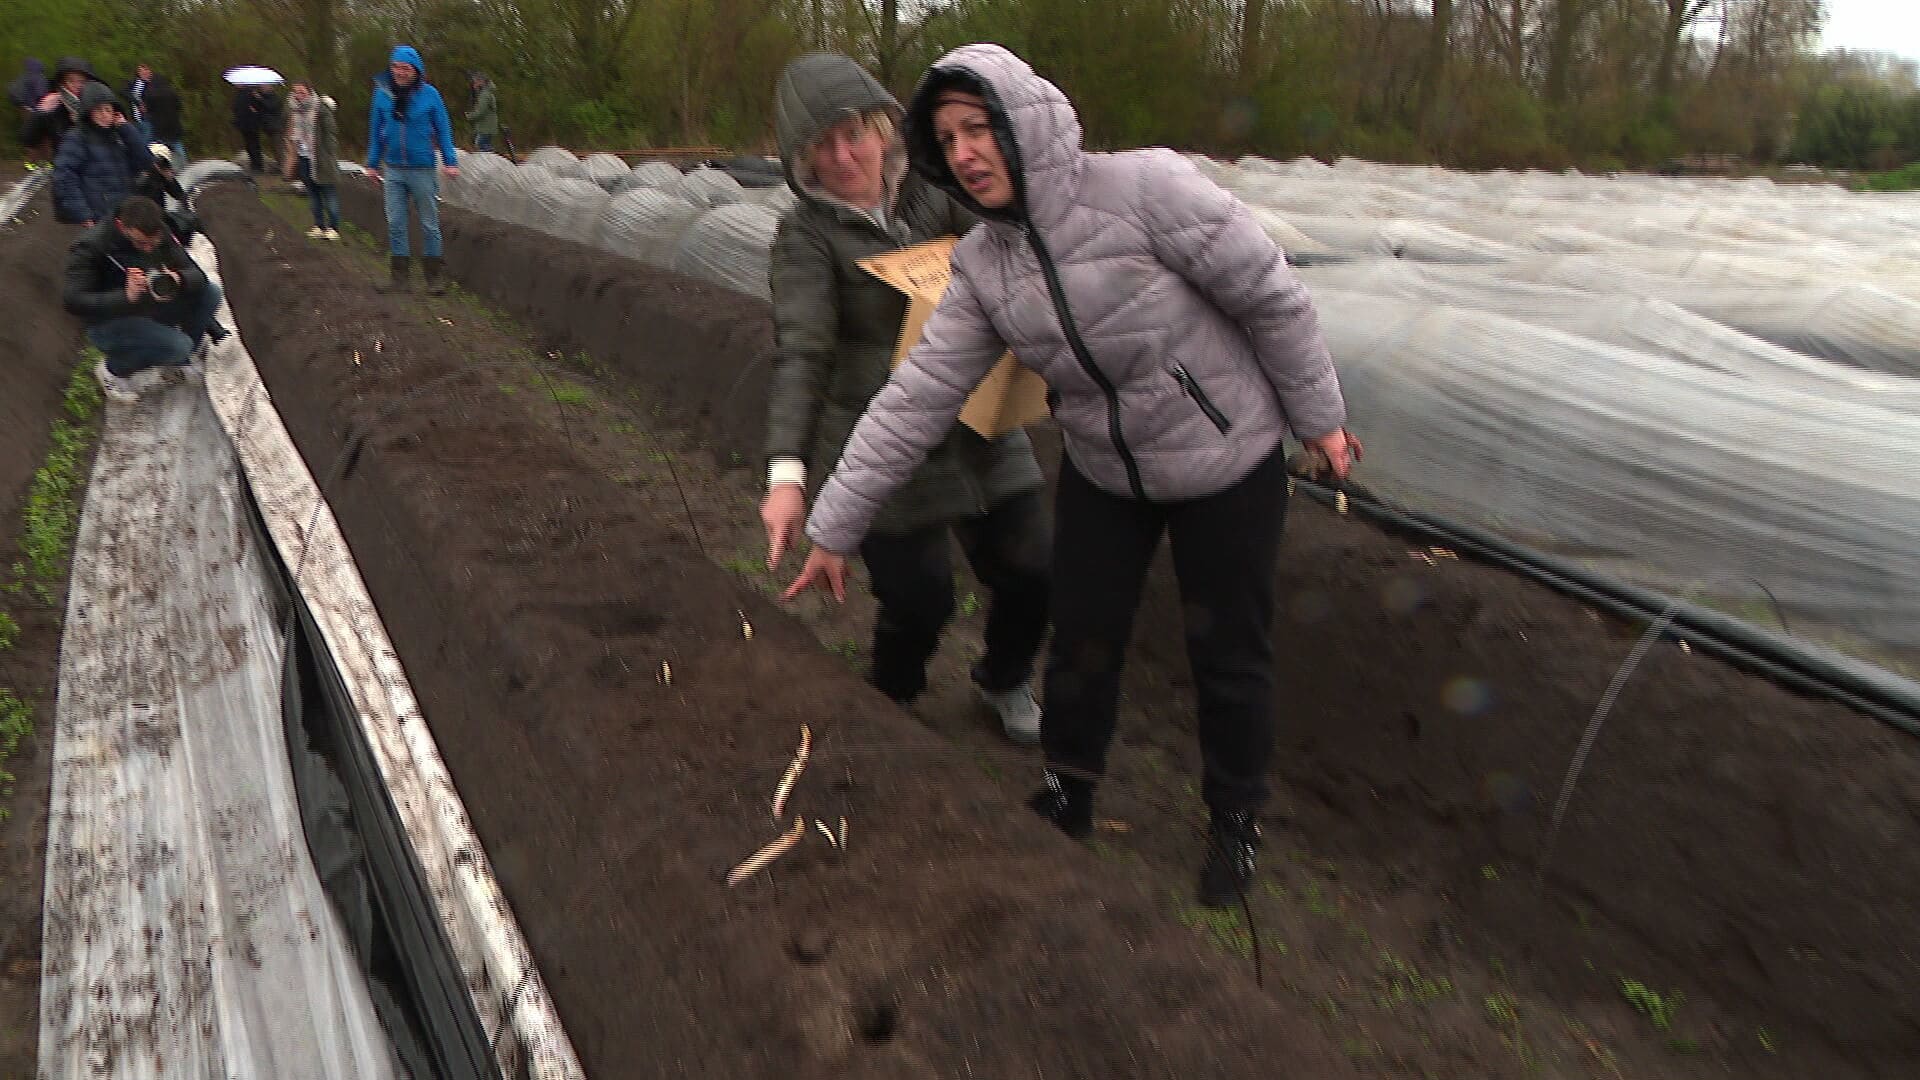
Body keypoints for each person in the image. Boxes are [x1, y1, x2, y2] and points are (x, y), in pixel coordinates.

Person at [786, 45, 1363, 909]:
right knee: (1085, 633)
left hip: (1224, 454)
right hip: (1105, 464)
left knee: (1228, 650)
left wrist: (1320, 417)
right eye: (948, 138)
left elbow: (1270, 296)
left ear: (1023, 119)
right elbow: (916, 398)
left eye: (978, 127)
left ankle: (1235, 819)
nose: (965, 152)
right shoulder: (984, 265)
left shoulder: (1147, 190)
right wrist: (834, 526)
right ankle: (1070, 786)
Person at [764, 53, 1050, 743]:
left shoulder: (930, 192)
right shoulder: (806, 235)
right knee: (922, 600)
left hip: (977, 415)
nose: (843, 157)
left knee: (1034, 567)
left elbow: (1005, 248)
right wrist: (787, 475)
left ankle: (1004, 677)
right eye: (822, 145)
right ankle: (892, 693)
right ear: (802, 158)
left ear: (880, 128)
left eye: (853, 134)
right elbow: (804, 351)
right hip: (881, 436)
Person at [63, 196, 228, 403]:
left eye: (153, 243)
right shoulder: (92, 247)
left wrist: (178, 278)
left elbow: (197, 275)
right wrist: (126, 296)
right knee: (179, 345)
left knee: (210, 293)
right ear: (122, 226)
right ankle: (113, 371)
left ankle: (179, 360)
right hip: (108, 321)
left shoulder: (160, 232)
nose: (149, 248)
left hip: (149, 306)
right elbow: (73, 301)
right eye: (141, 243)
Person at [365, 45, 459, 294]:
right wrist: (372, 163)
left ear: (416, 70)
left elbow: (443, 130)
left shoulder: (430, 95)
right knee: (396, 222)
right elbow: (376, 132)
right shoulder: (382, 94)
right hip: (393, 169)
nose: (399, 72)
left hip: (422, 169)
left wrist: (450, 161)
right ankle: (399, 278)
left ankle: (434, 277)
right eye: (395, 67)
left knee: (429, 223)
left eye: (405, 68)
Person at [52, 82, 152, 227]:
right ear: (89, 112)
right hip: (100, 214)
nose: (104, 115)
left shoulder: (118, 135)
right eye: (98, 110)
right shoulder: (77, 137)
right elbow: (64, 176)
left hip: (126, 211)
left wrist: (126, 129)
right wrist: (83, 214)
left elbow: (145, 162)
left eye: (108, 110)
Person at [288, 81, 342, 240]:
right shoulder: (294, 109)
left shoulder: (321, 108)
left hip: (322, 157)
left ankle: (333, 227)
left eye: (302, 92)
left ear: (310, 92)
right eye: (296, 92)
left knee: (329, 193)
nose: (299, 95)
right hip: (304, 156)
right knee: (312, 193)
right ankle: (319, 225)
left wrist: (330, 154)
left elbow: (331, 133)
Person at [23, 57, 108, 153]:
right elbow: (28, 139)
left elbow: (112, 135)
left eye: (82, 81)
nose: (77, 85)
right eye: (71, 81)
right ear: (62, 83)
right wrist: (41, 112)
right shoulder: (53, 106)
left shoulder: (100, 103)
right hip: (66, 158)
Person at [132, 63, 185, 167]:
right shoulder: (172, 93)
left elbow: (146, 111)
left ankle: (155, 167)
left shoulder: (150, 95)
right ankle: (183, 168)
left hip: (159, 127)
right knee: (178, 147)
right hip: (174, 125)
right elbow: (179, 107)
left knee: (158, 149)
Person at [8, 58, 50, 161]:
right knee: (44, 136)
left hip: (24, 109)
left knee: (30, 136)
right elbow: (41, 94)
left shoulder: (22, 77)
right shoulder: (39, 77)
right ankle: (45, 162)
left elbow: (12, 91)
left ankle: (31, 163)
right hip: (36, 110)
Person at [233, 84, 269, 172]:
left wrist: (254, 110)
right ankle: (254, 164)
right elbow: (236, 107)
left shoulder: (252, 92)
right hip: (243, 123)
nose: (237, 85)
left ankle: (258, 166)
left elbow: (260, 106)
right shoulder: (239, 94)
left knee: (254, 145)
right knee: (249, 145)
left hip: (252, 123)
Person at [466, 71, 498, 152]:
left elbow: (480, 111)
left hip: (484, 128)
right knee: (486, 149)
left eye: (475, 81)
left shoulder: (484, 95)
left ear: (481, 82)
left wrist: (469, 116)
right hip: (488, 128)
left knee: (481, 149)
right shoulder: (487, 93)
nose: (474, 84)